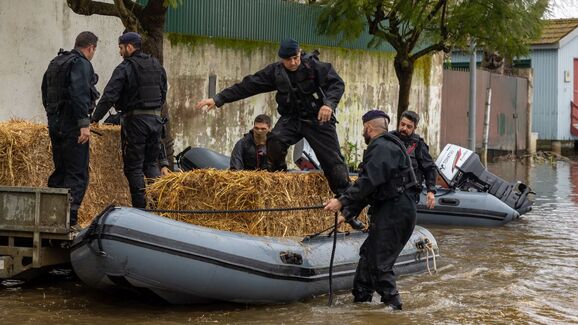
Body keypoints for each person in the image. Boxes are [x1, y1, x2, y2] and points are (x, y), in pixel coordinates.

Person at [194, 38, 350, 196]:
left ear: (300, 53)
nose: (294, 62)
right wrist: (218, 99)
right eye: (289, 60)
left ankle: (346, 199)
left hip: (318, 119)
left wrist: (329, 104)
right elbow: (248, 86)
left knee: (332, 160)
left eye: (296, 57)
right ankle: (279, 177)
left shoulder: (315, 67)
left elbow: (337, 84)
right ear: (282, 59)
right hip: (292, 119)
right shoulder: (275, 72)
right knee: (274, 141)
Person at [324, 110, 418, 310]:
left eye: (363, 130)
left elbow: (367, 182)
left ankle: (396, 311)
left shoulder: (382, 148)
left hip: (396, 211)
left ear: (368, 128)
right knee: (368, 258)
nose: (362, 134)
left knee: (380, 264)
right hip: (390, 209)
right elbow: (370, 190)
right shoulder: (384, 147)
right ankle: (362, 306)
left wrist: (341, 201)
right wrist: (347, 214)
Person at [91, 32, 168, 208]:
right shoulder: (156, 65)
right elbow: (163, 92)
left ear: (130, 47)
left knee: (134, 167)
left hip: (136, 122)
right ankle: (158, 206)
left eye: (121, 48)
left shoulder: (125, 67)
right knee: (151, 164)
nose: (120, 52)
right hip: (156, 121)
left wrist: (95, 118)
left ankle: (139, 211)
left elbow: (109, 95)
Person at [41, 31, 100, 226]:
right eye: (93, 51)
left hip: (55, 125)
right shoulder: (81, 63)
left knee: (60, 172)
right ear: (90, 48)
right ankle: (68, 220)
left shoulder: (56, 62)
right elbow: (79, 93)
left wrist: (53, 117)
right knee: (77, 174)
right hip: (73, 127)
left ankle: (50, 218)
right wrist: (84, 124)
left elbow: (45, 91)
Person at [391, 111, 438, 209]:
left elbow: (430, 168)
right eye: (402, 124)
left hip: (408, 196)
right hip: (387, 195)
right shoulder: (389, 139)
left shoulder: (418, 145)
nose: (404, 128)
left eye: (409, 127)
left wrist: (431, 191)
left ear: (414, 128)